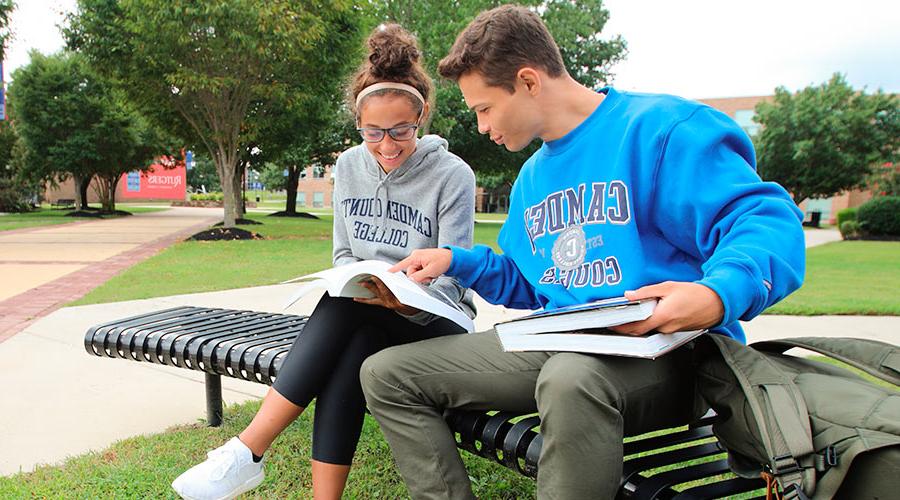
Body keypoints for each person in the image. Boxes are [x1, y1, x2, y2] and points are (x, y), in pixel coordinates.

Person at [359, 5, 805, 499]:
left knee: (570, 378)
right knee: (386, 373)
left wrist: (715, 293)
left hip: (673, 351)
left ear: (528, 81)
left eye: (484, 109)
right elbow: (532, 282)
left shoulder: (660, 129)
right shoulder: (532, 178)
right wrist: (456, 261)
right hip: (566, 341)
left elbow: (765, 220)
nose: (482, 127)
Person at [171, 24, 477, 500]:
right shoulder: (350, 166)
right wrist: (370, 287)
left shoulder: (452, 174)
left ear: (422, 118)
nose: (388, 145)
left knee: (345, 311)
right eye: (373, 132)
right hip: (370, 316)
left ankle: (248, 451)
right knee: (354, 345)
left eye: (402, 130)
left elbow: (457, 278)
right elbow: (343, 255)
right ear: (359, 125)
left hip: (437, 322)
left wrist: (405, 299)